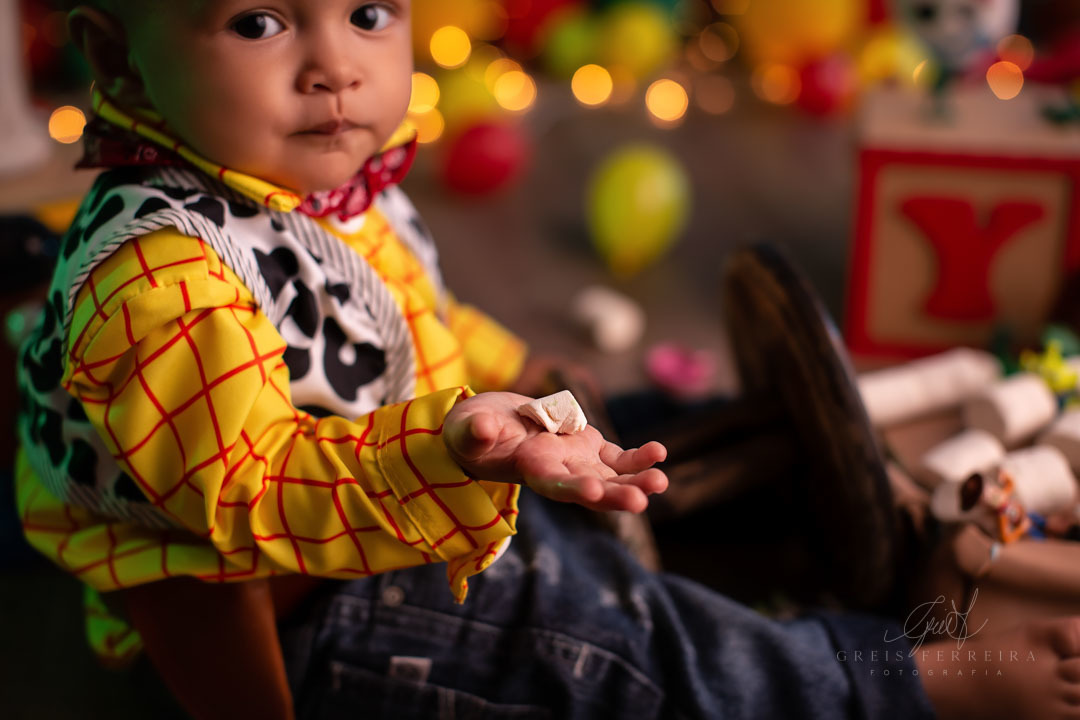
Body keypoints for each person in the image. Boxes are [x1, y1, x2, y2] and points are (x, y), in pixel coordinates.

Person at [14, 1, 1080, 718]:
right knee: (609, 648)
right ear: (115, 57)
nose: (335, 65)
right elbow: (246, 492)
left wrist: (508, 363)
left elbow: (396, 315)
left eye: (370, 13)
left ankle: (780, 492)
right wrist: (451, 445)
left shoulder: (296, 177)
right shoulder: (162, 284)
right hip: (299, 592)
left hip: (406, 474)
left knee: (626, 439)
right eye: (258, 21)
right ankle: (908, 684)